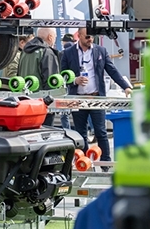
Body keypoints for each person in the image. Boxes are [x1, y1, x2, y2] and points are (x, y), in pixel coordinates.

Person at [60, 27, 132, 161]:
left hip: (96, 97)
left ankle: (105, 162)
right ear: (79, 36)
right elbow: (62, 75)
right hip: (78, 98)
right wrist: (75, 80)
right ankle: (84, 162)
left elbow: (112, 70)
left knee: (101, 132)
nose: (90, 39)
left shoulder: (100, 50)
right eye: (87, 37)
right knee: (80, 133)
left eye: (92, 37)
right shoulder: (68, 53)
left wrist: (126, 87)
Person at [18, 27, 61, 125]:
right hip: (42, 104)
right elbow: (51, 82)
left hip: (25, 101)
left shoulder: (24, 51)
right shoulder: (47, 52)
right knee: (44, 135)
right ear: (50, 37)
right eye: (55, 37)